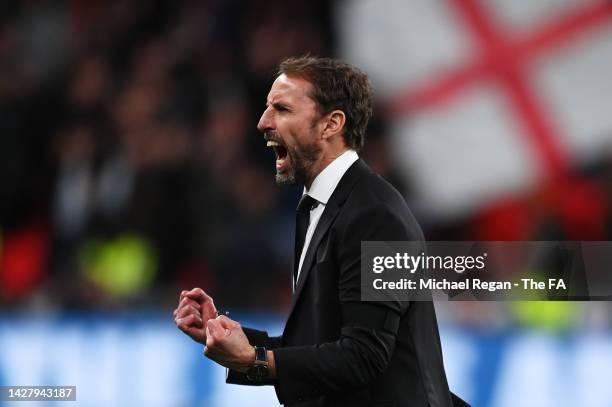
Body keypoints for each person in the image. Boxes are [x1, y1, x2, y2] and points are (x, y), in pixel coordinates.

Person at [174, 56, 465, 406]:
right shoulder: (320, 206)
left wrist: (257, 362)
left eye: (282, 109)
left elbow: (364, 355)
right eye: (267, 108)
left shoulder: (375, 216)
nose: (262, 122)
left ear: (331, 124)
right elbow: (322, 344)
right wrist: (229, 338)